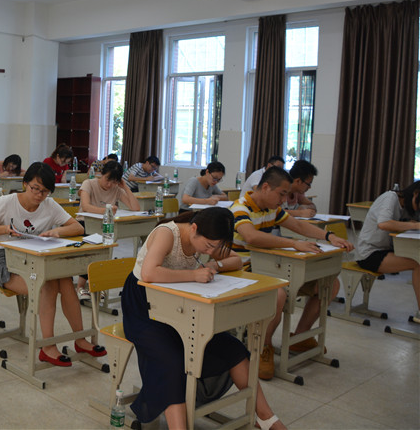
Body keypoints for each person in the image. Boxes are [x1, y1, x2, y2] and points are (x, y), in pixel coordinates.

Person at [121, 208, 286, 430]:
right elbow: (149, 274)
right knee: (171, 361)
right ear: (194, 229)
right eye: (208, 246)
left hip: (182, 309)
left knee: (233, 349)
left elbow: (237, 260)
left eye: (216, 248)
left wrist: (215, 264)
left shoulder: (208, 239)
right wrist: (193, 274)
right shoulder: (167, 234)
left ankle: (265, 417)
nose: (210, 251)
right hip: (144, 309)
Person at [0, 162, 106, 366]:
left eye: (44, 191)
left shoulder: (49, 204)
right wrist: (5, 230)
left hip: (37, 258)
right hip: (8, 262)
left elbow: (77, 228)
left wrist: (57, 231)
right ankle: (48, 346)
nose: (39, 195)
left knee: (65, 280)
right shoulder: (7, 202)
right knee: (46, 284)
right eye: (35, 189)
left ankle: (80, 339)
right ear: (25, 184)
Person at [231, 166, 353, 380]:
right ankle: (263, 347)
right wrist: (294, 244)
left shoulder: (272, 209)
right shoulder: (240, 208)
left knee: (329, 285)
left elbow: (298, 226)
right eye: (281, 194)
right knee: (278, 294)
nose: (283, 200)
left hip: (268, 267)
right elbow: (251, 237)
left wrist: (329, 237)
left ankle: (301, 336)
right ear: (266, 187)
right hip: (242, 271)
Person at [354, 181, 420, 321]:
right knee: (417, 264)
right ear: (415, 194)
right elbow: (383, 224)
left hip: (383, 250)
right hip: (369, 253)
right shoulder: (390, 197)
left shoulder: (402, 205)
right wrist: (414, 226)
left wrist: (411, 225)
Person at [75, 161, 140, 299]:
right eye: (107, 179)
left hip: (105, 225)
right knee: (95, 250)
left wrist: (125, 186)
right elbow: (85, 207)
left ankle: (99, 285)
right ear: (101, 174)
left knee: (106, 251)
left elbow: (135, 208)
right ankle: (80, 286)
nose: (109, 185)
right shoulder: (89, 183)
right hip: (84, 223)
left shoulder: (117, 189)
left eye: (114, 182)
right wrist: (107, 210)